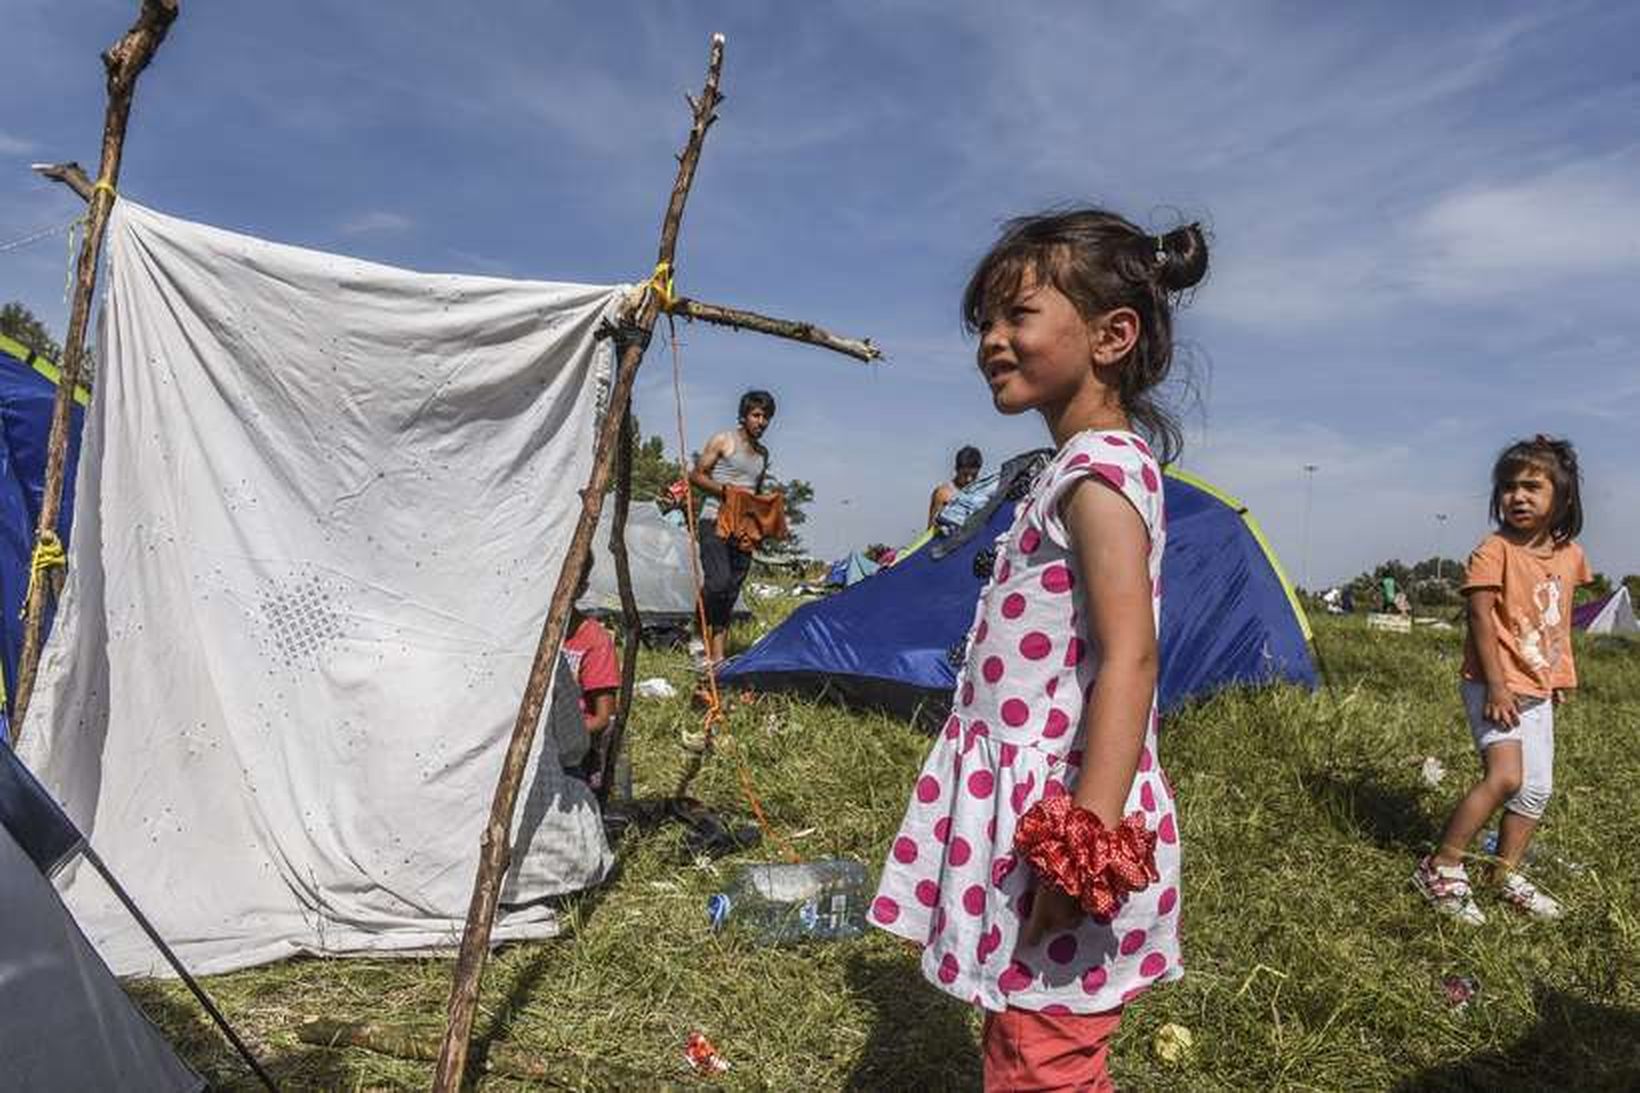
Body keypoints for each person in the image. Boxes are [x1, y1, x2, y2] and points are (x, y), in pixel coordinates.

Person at [869, 209, 1208, 1090]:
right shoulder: (1068, 468)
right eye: (985, 320)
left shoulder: (1100, 476)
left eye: (1017, 315)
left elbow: (1132, 658)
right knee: (1026, 1030)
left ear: (1111, 335)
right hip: (1027, 798)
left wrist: (1081, 849)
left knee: (1044, 1054)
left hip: (1064, 809)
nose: (991, 339)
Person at [1414, 436, 1591, 924]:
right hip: (1493, 685)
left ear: (1563, 497)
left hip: (1537, 688)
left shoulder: (1570, 556)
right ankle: (1442, 865)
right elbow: (1479, 620)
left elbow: (1558, 623)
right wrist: (1496, 685)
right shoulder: (1494, 551)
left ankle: (1502, 872)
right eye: (1509, 487)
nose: (1518, 496)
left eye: (1532, 486)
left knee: (1536, 790)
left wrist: (1559, 675)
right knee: (1506, 777)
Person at [689, 390, 776, 667]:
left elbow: (756, 491)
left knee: (731, 590)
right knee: (718, 582)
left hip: (744, 529)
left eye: (766, 417)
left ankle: (718, 657)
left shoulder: (763, 454)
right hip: (715, 520)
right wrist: (727, 492)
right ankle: (696, 631)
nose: (761, 422)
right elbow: (696, 475)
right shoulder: (724, 440)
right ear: (744, 415)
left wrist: (762, 518)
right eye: (756, 415)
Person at [928, 446, 985, 528]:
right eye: (965, 475)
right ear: (956, 469)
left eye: (974, 475)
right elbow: (931, 528)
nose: (969, 479)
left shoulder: (982, 493)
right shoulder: (943, 494)